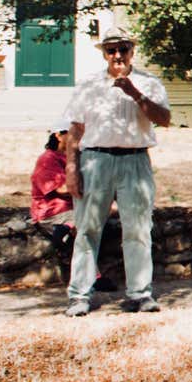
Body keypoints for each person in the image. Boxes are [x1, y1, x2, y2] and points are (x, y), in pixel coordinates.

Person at [61, 26, 171, 317]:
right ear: (104, 54)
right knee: (87, 228)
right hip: (95, 160)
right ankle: (79, 295)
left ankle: (140, 294)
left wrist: (134, 93)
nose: (118, 55)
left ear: (132, 51)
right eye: (112, 49)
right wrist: (72, 168)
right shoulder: (88, 85)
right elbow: (75, 129)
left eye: (123, 48)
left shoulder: (148, 82)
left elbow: (165, 119)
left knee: (137, 229)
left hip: (135, 160)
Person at [31, 120, 75, 245]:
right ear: (59, 135)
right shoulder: (47, 159)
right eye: (73, 134)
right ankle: (64, 235)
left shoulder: (72, 156)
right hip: (54, 212)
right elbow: (62, 189)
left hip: (72, 206)